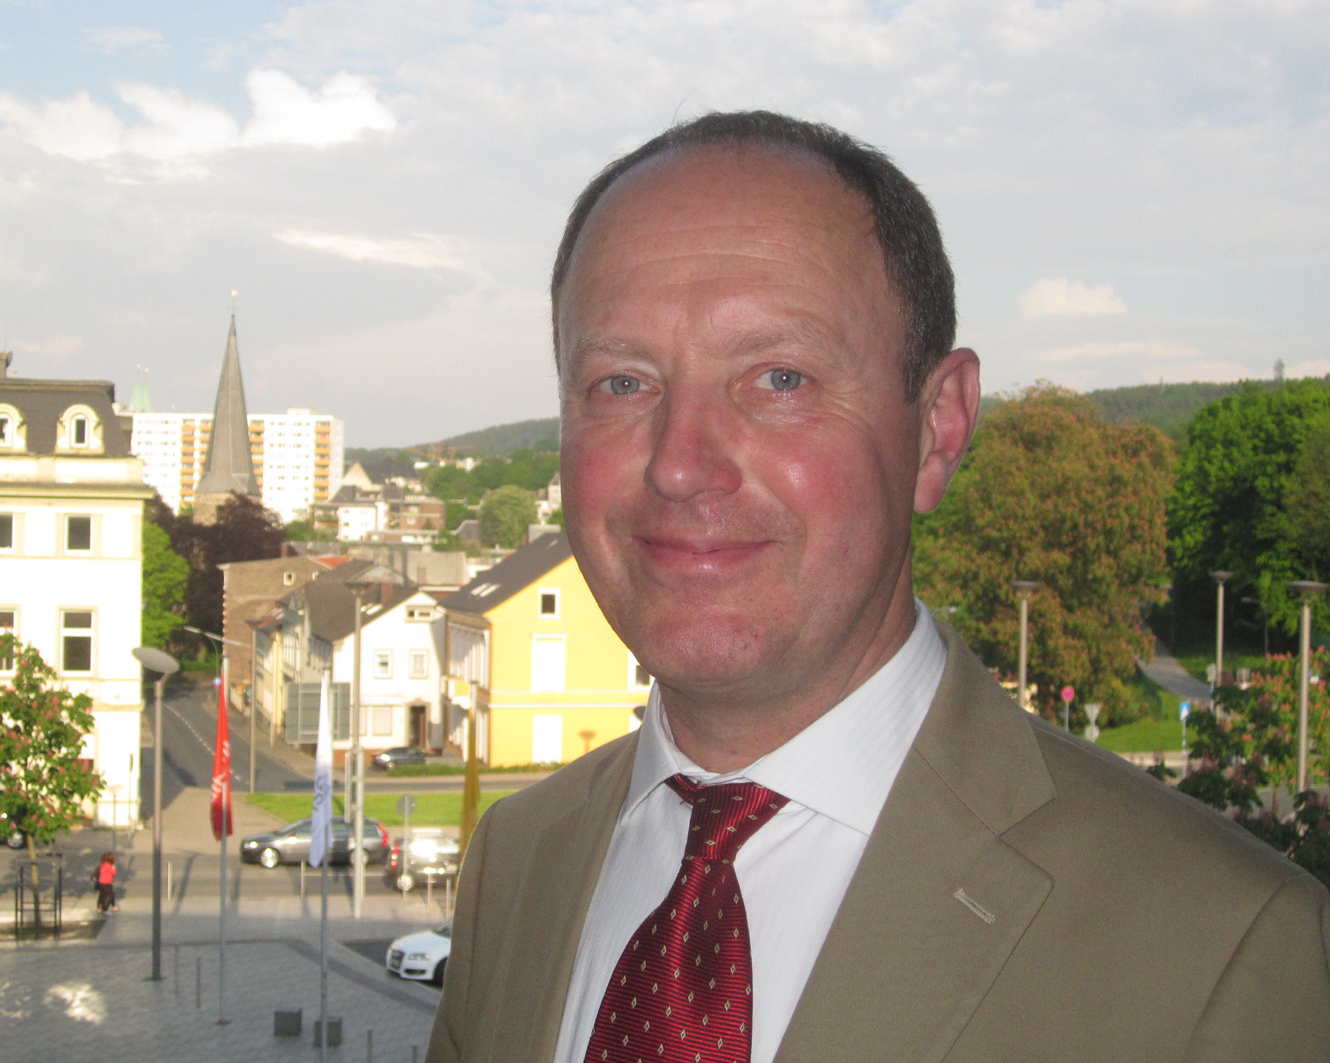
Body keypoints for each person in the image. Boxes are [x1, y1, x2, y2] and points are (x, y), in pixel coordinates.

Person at [427, 111, 1330, 1063]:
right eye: (621, 383)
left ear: (938, 426)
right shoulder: (518, 861)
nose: (679, 465)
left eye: (779, 377)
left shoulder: (1221, 947)